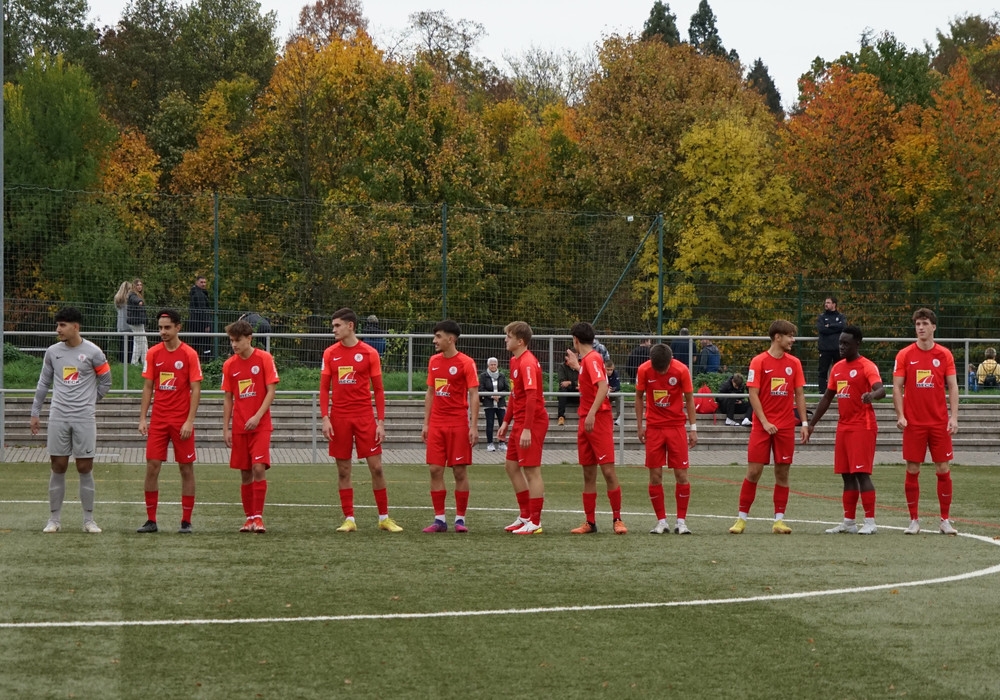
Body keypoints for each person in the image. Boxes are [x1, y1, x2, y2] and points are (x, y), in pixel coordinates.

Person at [320, 307, 403, 533]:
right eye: (333, 326)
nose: (333, 329)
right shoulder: (329, 353)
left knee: (376, 468)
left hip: (365, 416)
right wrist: (325, 418)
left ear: (350, 326)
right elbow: (324, 388)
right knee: (343, 470)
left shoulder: (369, 353)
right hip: (339, 417)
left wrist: (381, 422)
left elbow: (379, 390)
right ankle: (349, 519)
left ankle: (384, 518)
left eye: (337, 325)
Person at [30, 307, 112, 533]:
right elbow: (43, 383)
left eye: (62, 325)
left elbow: (106, 381)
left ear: (75, 327)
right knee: (58, 465)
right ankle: (54, 520)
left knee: (84, 466)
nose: (58, 329)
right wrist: (35, 412)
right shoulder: (52, 352)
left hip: (84, 418)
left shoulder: (94, 352)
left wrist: (90, 401)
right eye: (57, 325)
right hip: (58, 416)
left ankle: (89, 521)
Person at [728, 319, 808, 535]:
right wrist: (764, 421)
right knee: (754, 471)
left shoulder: (795, 363)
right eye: (789, 336)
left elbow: (799, 394)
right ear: (777, 337)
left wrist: (804, 423)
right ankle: (741, 519)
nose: (793, 340)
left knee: (782, 473)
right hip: (762, 427)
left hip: (785, 427)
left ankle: (779, 521)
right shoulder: (758, 362)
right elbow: (752, 394)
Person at [804, 325, 885, 535]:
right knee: (846, 475)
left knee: (861, 473)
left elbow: (881, 390)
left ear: (857, 343)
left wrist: (871, 396)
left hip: (862, 426)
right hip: (844, 426)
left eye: (846, 343)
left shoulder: (867, 366)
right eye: (840, 343)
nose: (841, 347)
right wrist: (812, 424)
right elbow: (827, 397)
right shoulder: (838, 368)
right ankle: (849, 522)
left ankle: (870, 521)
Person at [892, 308, 960, 535]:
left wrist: (953, 417)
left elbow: (953, 386)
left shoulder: (944, 354)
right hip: (914, 423)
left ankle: (945, 520)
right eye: (917, 324)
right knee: (912, 469)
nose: (920, 328)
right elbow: (897, 387)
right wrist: (901, 415)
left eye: (924, 323)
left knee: (943, 468)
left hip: (939, 422)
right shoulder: (904, 355)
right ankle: (913, 520)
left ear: (933, 327)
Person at [136, 309, 203, 534]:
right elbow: (148, 387)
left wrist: (189, 421)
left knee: (186, 468)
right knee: (152, 467)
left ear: (178, 327)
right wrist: (143, 418)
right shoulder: (153, 353)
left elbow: (196, 389)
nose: (162, 332)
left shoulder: (189, 354)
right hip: (159, 421)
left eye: (167, 327)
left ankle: (186, 521)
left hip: (181, 421)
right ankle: (151, 520)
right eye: (160, 328)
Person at [564, 321, 627, 535]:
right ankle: (590, 522)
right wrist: (577, 367)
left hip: (597, 419)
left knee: (608, 471)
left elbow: (602, 387)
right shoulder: (591, 359)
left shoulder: (592, 358)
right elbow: (593, 379)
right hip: (586, 419)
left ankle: (617, 519)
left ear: (575, 340)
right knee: (588, 473)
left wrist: (591, 412)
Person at [421, 320, 479, 533]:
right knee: (435, 469)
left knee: (459, 471)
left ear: (451, 339)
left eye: (438, 336)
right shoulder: (434, 361)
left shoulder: (466, 362)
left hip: (458, 423)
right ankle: (439, 520)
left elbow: (474, 394)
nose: (434, 340)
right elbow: (430, 393)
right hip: (437, 423)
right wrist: (426, 423)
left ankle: (460, 519)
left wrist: (474, 426)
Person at [222, 319, 279, 533]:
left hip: (260, 425)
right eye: (231, 341)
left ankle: (259, 517)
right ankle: (249, 518)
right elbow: (228, 398)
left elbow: (271, 391)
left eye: (237, 340)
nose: (234, 345)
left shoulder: (264, 358)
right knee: (245, 473)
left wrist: (257, 416)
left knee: (258, 468)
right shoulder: (229, 365)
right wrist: (226, 428)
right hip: (239, 427)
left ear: (249, 338)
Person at [635, 343, 697, 534]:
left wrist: (693, 428)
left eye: (664, 369)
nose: (661, 372)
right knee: (655, 476)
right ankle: (661, 521)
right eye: (658, 369)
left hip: (676, 427)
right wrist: (640, 426)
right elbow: (638, 397)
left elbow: (689, 399)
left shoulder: (682, 370)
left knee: (682, 475)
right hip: (654, 428)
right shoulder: (643, 370)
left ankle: (681, 522)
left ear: (671, 361)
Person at [496, 321, 548, 535]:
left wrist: (527, 428)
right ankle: (525, 515)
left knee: (531, 470)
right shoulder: (514, 361)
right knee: (511, 466)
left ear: (520, 341)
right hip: (520, 421)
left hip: (532, 422)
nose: (505, 340)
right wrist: (506, 421)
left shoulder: (527, 362)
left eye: (508, 336)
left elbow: (532, 397)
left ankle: (535, 522)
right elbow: (515, 395)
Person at [478, 357, 508, 451]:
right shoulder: (483, 376)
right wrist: (491, 396)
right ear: (488, 365)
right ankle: (490, 443)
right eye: (491, 364)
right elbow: (481, 389)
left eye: (495, 364)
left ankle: (502, 443)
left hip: (500, 403)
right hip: (489, 404)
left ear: (497, 365)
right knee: (490, 423)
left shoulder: (502, 376)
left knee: (502, 423)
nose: (493, 366)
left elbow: (506, 389)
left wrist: (499, 395)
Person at [816, 296, 846, 389]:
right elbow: (822, 329)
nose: (826, 304)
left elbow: (842, 326)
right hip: (825, 349)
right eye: (825, 302)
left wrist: (829, 326)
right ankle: (822, 393)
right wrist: (835, 329)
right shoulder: (821, 317)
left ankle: (841, 391)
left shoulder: (840, 316)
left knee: (840, 371)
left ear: (834, 304)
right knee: (823, 371)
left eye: (828, 303)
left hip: (837, 349)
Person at [189, 275, 211, 358]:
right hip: (200, 323)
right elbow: (202, 310)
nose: (203, 284)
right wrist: (206, 324)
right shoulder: (199, 295)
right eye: (201, 282)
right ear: (197, 282)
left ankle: (194, 359)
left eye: (205, 282)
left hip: (195, 322)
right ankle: (207, 360)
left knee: (196, 342)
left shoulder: (195, 292)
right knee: (206, 343)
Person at [127, 277, 148, 366]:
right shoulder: (132, 294)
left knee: (143, 341)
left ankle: (145, 361)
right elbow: (134, 299)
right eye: (137, 285)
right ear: (134, 286)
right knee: (139, 342)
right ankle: (134, 362)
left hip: (139, 322)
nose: (139, 286)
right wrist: (139, 301)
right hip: (135, 322)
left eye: (140, 285)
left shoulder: (138, 295)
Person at [556, 350, 580, 426]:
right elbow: (562, 382)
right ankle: (561, 417)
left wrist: (570, 383)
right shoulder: (562, 366)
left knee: (585, 390)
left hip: (577, 393)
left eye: (576, 357)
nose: (575, 359)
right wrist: (575, 384)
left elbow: (583, 382)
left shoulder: (581, 367)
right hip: (567, 393)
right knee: (563, 390)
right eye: (573, 357)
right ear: (567, 357)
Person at [113, 280, 134, 363]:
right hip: (129, 326)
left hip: (121, 326)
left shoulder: (118, 300)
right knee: (130, 346)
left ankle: (122, 362)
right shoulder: (129, 300)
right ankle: (129, 362)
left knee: (122, 345)